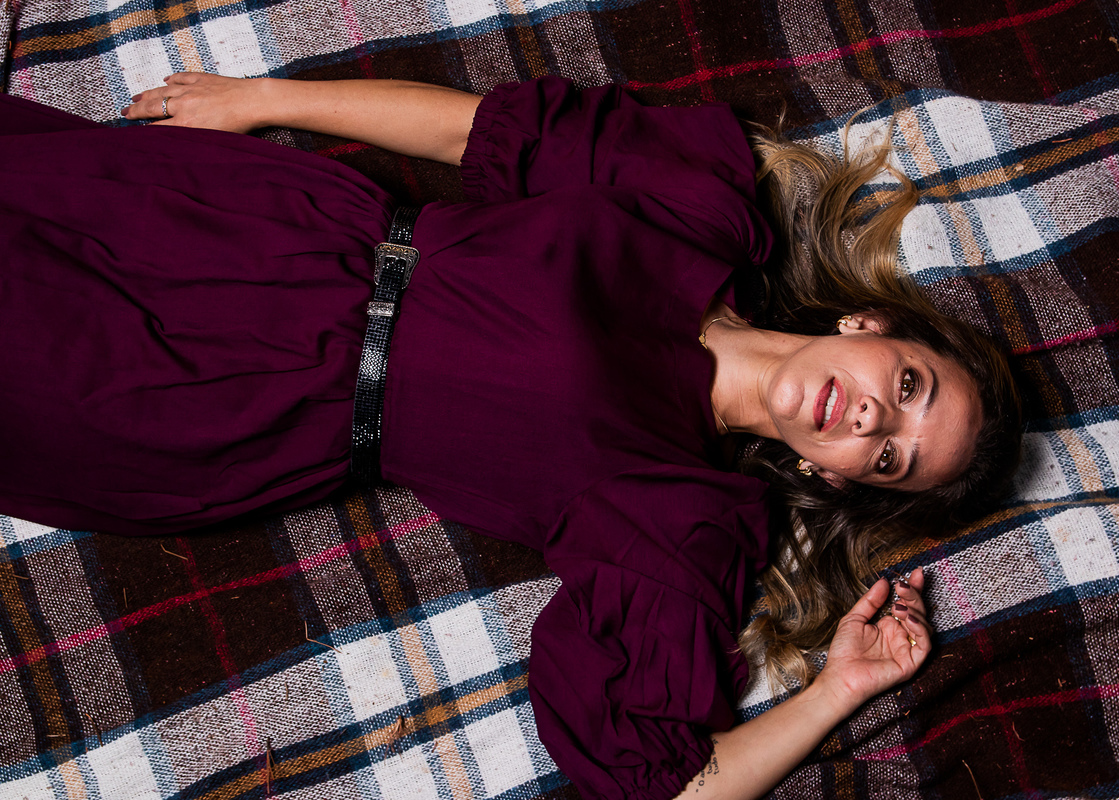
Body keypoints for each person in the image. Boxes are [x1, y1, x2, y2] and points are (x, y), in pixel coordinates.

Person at [0, 73, 1021, 799]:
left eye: (888, 459)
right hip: (257, 223)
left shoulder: (679, 511)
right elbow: (473, 134)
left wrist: (842, 687)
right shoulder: (698, 210)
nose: (873, 418)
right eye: (908, 387)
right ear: (869, 326)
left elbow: (669, 783)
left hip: (229, 397)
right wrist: (260, 99)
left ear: (830, 473)